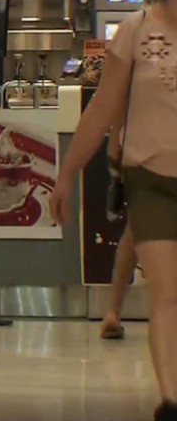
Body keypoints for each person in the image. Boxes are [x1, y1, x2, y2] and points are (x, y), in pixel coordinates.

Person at [51, 0, 177, 421]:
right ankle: (170, 400)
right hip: (150, 179)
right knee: (167, 292)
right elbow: (104, 108)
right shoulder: (136, 31)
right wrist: (67, 173)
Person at [101, 125, 138, 340]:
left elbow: (118, 97)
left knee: (136, 227)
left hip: (142, 145)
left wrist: (115, 140)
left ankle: (113, 311)